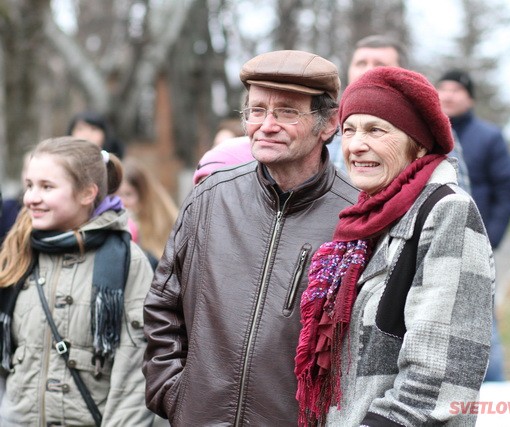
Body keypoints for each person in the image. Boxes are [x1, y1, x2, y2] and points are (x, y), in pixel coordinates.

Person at [142, 50, 359, 425]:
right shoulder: (210, 197)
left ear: (328, 125)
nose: (267, 125)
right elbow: (163, 305)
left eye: (287, 112)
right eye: (257, 110)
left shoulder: (355, 216)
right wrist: (174, 394)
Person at [295, 66, 494, 426]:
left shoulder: (447, 211)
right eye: (349, 130)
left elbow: (440, 379)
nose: (355, 145)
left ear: (417, 143)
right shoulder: (360, 223)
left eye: (376, 130)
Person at [0, 137, 155, 425]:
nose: (31, 197)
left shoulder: (127, 261)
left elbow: (135, 374)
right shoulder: (15, 253)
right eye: (30, 185)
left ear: (87, 193)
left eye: (47, 187)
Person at [437, 68, 510, 382]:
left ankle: (493, 390)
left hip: (477, 247)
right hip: (438, 243)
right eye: (442, 88)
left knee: (482, 322)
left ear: (469, 97)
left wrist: (491, 238)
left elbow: (508, 192)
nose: (447, 95)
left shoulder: (489, 137)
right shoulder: (427, 135)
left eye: (456, 89)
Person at [326, 35, 471, 192]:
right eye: (361, 63)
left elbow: (454, 191)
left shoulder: (429, 128)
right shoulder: (328, 126)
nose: (368, 70)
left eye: (379, 64)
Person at [117, 157, 178, 264]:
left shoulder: (161, 223)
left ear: (143, 195)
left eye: (128, 194)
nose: (122, 202)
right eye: (116, 196)